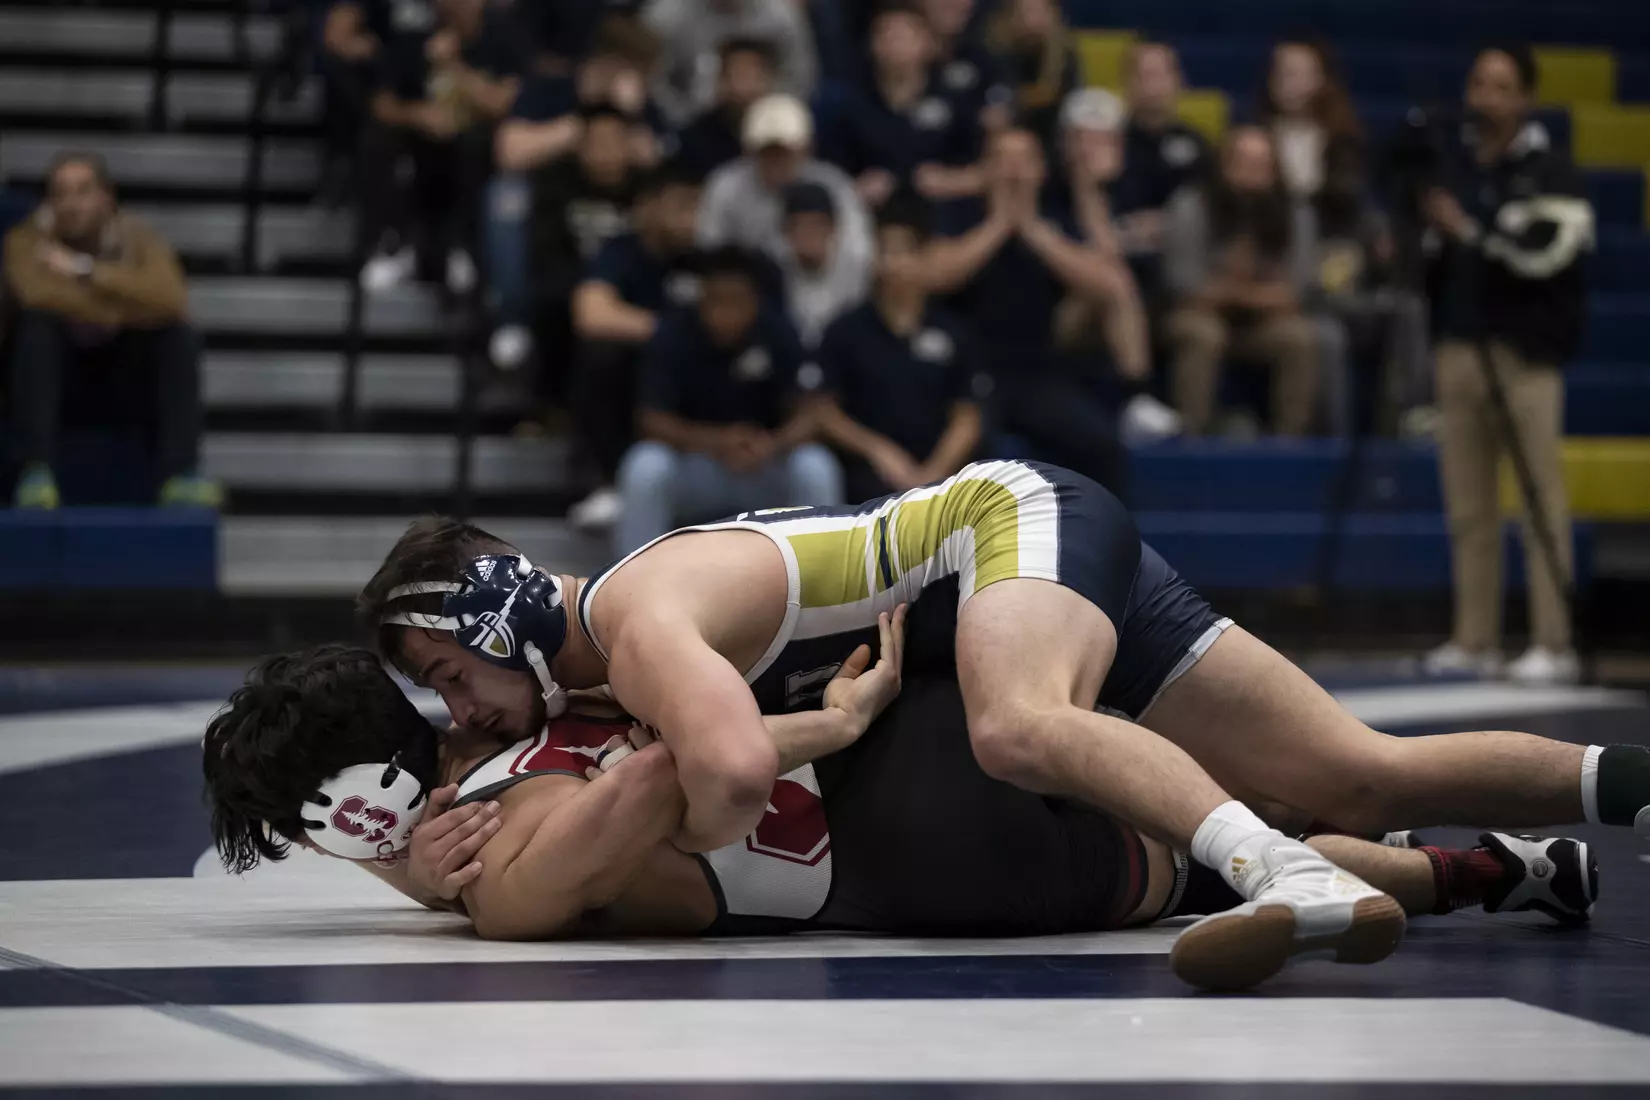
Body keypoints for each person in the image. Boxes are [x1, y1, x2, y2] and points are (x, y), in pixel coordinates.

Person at [203, 637, 1596, 986]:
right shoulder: (497, 857)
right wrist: (829, 718)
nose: (449, 702)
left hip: (910, 802)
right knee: (1231, 839)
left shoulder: (468, 813)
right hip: (915, 823)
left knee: (1240, 830)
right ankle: (1494, 859)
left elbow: (363, 813)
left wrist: (401, 863)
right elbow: (664, 773)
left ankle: (1502, 862)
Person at [1420, 44, 1593, 687]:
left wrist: (1464, 230)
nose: (1485, 97)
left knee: (1539, 498)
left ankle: (1554, 641)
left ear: (1525, 98)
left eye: (1500, 86)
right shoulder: (1456, 166)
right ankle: (1476, 638)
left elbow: (1544, 256)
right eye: (1478, 83)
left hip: (1525, 357)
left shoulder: (1554, 173)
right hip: (1458, 349)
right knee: (1468, 505)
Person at [4, 152, 219, 509]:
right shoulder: (25, 241)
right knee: (36, 328)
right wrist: (126, 306)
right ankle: (36, 472)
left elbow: (171, 299)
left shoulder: (141, 240)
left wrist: (84, 271)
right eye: (60, 193)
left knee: (177, 334)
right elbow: (35, 294)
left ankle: (180, 475)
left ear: (107, 198)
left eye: (82, 191)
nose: (71, 204)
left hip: (123, 378)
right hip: (59, 380)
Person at [928, 127, 1128, 495]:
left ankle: (1103, 530)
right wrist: (999, 224)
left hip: (1037, 373)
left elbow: (1107, 285)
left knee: (1102, 445)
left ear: (1041, 170)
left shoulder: (1056, 219)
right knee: (971, 451)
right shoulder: (960, 215)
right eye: (1003, 159)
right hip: (967, 374)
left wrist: (1033, 229)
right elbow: (936, 275)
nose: (1014, 170)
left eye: (1024, 160)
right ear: (986, 167)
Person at [612, 245, 843, 553]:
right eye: (716, 300)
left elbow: (811, 412)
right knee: (645, 466)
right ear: (701, 298)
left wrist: (773, 444)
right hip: (698, 465)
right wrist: (718, 441)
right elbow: (651, 419)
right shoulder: (673, 333)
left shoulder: (778, 331)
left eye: (736, 302)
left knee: (815, 466)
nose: (725, 313)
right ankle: (631, 576)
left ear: (755, 302)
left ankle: (820, 577)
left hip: (764, 464)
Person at [488, 21, 660, 369]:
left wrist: (628, 118)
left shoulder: (642, 106)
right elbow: (509, 153)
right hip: (551, 208)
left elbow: (656, 159)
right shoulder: (551, 90)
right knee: (505, 198)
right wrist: (586, 122)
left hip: (614, 206)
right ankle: (514, 317)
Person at [815, 200, 985, 501]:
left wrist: (932, 475)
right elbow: (825, 411)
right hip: (867, 474)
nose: (892, 262)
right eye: (884, 250)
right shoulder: (845, 330)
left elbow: (967, 416)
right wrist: (876, 449)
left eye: (903, 251)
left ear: (925, 257)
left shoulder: (954, 331)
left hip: (940, 476)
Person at [567, 164, 705, 531]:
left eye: (697, 206)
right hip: (639, 373)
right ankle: (607, 480)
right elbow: (591, 314)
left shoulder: (705, 259)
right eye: (682, 205)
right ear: (649, 207)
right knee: (602, 356)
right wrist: (671, 331)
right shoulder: (621, 252)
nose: (692, 218)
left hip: (696, 379)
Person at [1162, 125, 1322, 437]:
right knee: (1204, 334)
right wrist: (1257, 293)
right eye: (1242, 163)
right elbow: (1183, 287)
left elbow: (1296, 292)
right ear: (1224, 166)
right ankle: (1191, 440)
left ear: (1275, 171)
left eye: (1260, 165)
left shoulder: (1295, 213)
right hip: (1198, 316)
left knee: (1300, 338)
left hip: (1261, 324)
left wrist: (1229, 290)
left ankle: (1289, 445)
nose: (1251, 175)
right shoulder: (1191, 205)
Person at [358, 0, 524, 295]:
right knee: (379, 140)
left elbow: (502, 103)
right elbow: (381, 103)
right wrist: (418, 114)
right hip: (424, 138)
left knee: (477, 144)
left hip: (475, 140)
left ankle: (464, 251)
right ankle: (394, 247)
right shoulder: (414, 37)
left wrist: (453, 66)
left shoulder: (501, 38)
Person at [1053, 88, 1182, 443]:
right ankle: (1137, 396)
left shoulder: (1136, 184)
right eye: (1083, 139)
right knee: (1111, 281)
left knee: (1119, 283)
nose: (1092, 150)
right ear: (1064, 143)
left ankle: (1142, 403)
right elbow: (1101, 257)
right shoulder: (1051, 192)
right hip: (1061, 310)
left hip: (1136, 306)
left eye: (1103, 139)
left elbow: (1153, 246)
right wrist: (1087, 189)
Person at [518, 105, 640, 405]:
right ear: (580, 147)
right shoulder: (555, 187)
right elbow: (546, 254)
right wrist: (589, 291)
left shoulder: (649, 191)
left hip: (631, 292)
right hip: (573, 289)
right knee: (553, 306)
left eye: (614, 141)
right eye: (596, 142)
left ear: (630, 145)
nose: (605, 152)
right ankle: (548, 407)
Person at [698, 93, 874, 292]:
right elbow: (709, 249)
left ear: (806, 149)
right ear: (748, 151)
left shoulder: (834, 186)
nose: (777, 160)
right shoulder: (725, 187)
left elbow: (859, 252)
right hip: (748, 293)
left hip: (826, 292)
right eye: (768, 151)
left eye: (786, 151)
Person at [822, 3, 983, 208]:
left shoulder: (953, 99)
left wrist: (951, 180)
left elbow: (980, 167)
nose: (896, 45)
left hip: (944, 209)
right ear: (872, 45)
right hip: (872, 212)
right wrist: (855, 188)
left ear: (928, 43)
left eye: (905, 37)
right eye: (887, 36)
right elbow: (830, 172)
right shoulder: (850, 106)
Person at [1118, 41, 1211, 303]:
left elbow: (1210, 206)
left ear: (1179, 81)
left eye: (1160, 74)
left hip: (1182, 262)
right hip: (1120, 259)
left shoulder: (1197, 145)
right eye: (1143, 75)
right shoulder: (1109, 142)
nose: (1152, 85)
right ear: (1127, 84)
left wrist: (1170, 223)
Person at [643, 0, 817, 127]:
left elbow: (800, 79)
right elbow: (654, 81)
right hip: (691, 122)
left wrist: (766, 105)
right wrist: (686, 118)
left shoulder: (780, 16)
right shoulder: (666, 19)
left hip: (769, 122)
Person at [776, 183, 869, 347]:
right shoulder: (775, 270)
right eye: (799, 225)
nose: (808, 234)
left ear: (832, 228)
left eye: (816, 225)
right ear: (786, 231)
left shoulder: (857, 268)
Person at [982, 0, 1080, 155]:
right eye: (1025, 12)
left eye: (1040, 12)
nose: (1032, 20)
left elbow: (1071, 108)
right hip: (1005, 140)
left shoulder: (1065, 58)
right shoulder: (994, 54)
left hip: (1052, 143)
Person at [676, 38, 779, 179]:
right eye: (738, 75)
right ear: (721, 81)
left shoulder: (789, 127)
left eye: (753, 76)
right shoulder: (696, 138)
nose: (745, 87)